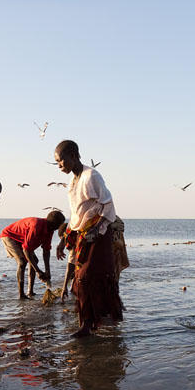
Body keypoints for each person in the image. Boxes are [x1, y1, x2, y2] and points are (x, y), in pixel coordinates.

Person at [54, 140, 123, 338]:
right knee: (80, 279)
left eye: (61, 161)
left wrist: (97, 229)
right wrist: (63, 239)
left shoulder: (91, 176)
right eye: (57, 163)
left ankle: (90, 324)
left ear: (73, 156)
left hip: (97, 234)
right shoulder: (73, 181)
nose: (59, 166)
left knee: (87, 277)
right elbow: (76, 213)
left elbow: (109, 206)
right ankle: (88, 323)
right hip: (81, 234)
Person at [0, 210, 65, 299]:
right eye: (58, 225)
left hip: (21, 238)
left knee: (35, 260)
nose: (58, 228)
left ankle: (30, 292)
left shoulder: (50, 230)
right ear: (53, 225)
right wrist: (38, 271)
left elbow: (46, 251)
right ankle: (21, 294)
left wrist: (47, 271)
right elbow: (26, 251)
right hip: (9, 236)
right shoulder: (36, 226)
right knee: (22, 262)